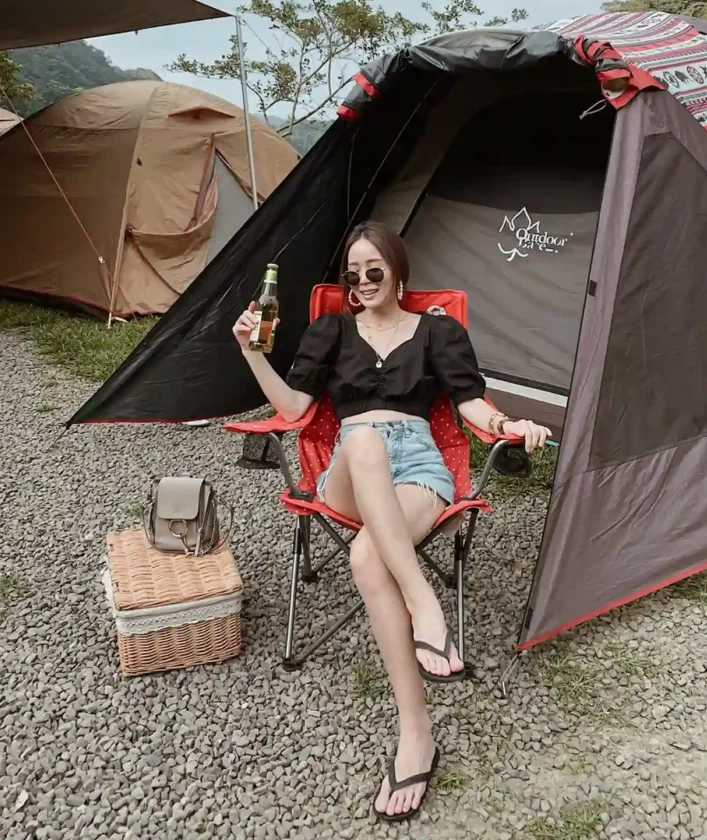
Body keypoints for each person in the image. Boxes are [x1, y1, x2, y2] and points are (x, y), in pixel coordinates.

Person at [232, 221, 551, 822]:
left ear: (398, 273)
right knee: (366, 441)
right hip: (351, 471)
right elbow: (295, 409)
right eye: (351, 274)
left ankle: (416, 733)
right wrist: (251, 351)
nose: (361, 283)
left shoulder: (438, 331)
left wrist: (510, 427)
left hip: (420, 469)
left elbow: (471, 405)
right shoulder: (331, 331)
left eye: (373, 270)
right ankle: (424, 601)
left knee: (364, 556)